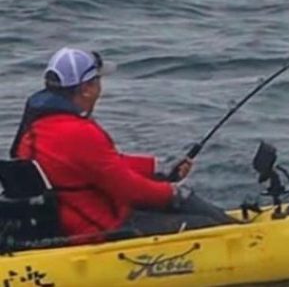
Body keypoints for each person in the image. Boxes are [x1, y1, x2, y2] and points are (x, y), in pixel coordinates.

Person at [9, 47, 235, 244]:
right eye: (98, 80)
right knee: (203, 223)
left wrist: (159, 168)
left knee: (179, 203)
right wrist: (174, 193)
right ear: (86, 88)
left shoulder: (41, 124)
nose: (100, 88)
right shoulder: (78, 132)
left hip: (71, 220)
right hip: (100, 229)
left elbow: (104, 165)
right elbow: (128, 189)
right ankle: (242, 236)